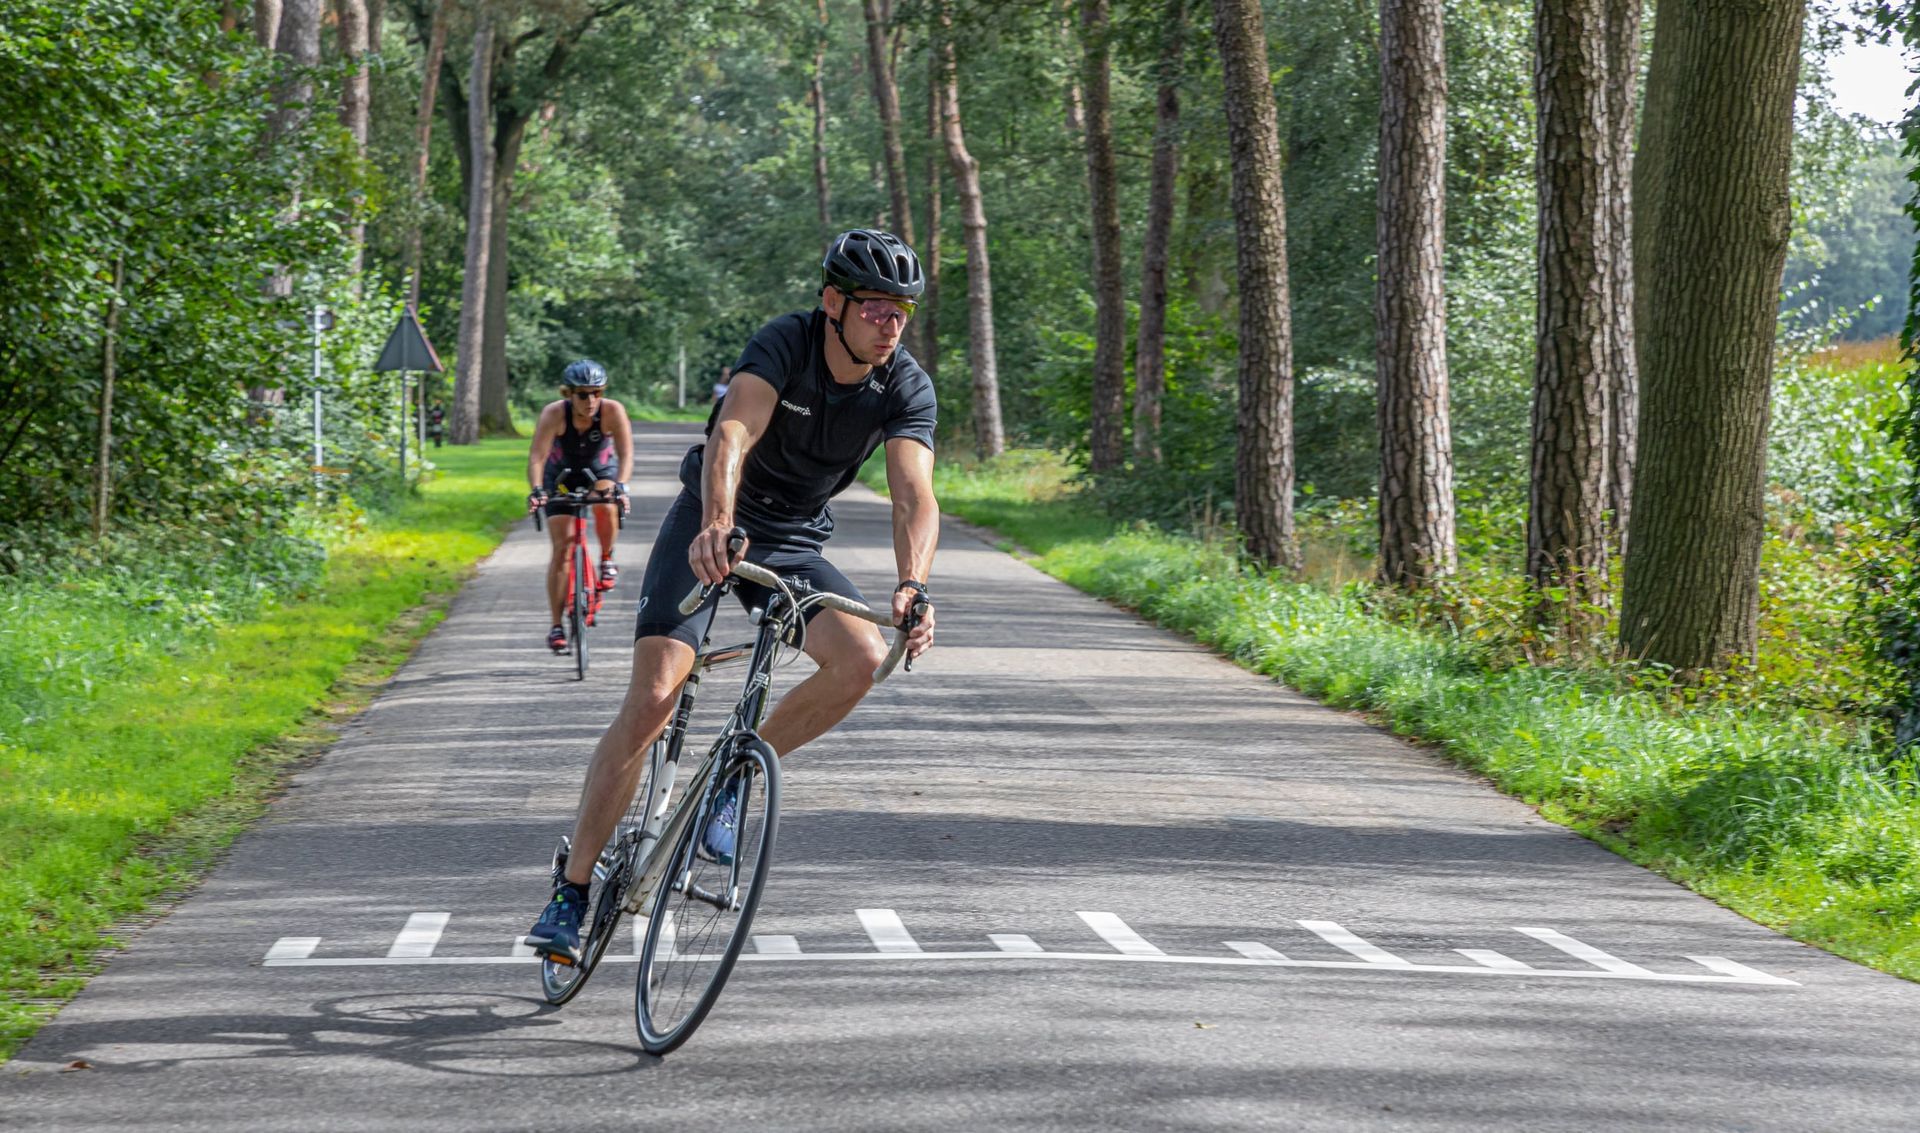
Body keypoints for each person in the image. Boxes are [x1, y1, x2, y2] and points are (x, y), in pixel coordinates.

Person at [526, 230, 941, 962]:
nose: (892, 323)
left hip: (792, 541)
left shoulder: (903, 383)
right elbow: (732, 435)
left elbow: (915, 495)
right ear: (834, 302)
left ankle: (730, 779)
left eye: (901, 310)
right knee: (655, 695)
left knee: (860, 659)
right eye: (876, 306)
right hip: (711, 520)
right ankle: (573, 889)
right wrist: (717, 523)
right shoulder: (786, 342)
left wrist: (913, 583)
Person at [525, 359, 634, 653]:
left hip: (599, 472)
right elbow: (537, 456)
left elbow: (625, 455)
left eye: (596, 393)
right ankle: (556, 625)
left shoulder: (613, 411)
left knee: (606, 499)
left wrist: (621, 485)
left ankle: (607, 559)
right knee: (562, 549)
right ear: (568, 394)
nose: (591, 401)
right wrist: (536, 490)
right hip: (560, 475)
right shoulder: (554, 414)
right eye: (583, 394)